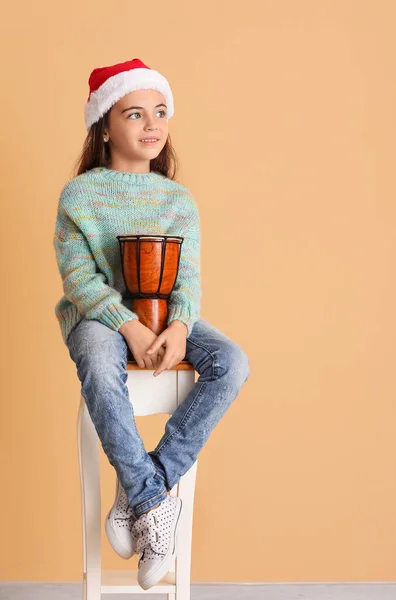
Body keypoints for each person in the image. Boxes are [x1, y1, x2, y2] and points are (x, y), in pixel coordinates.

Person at [53, 57, 250, 591]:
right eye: (135, 113)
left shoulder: (176, 199)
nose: (151, 124)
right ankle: (152, 502)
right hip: (99, 316)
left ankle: (144, 488)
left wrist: (181, 326)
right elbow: (79, 280)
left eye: (160, 112)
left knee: (232, 361)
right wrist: (128, 327)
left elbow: (187, 282)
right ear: (105, 125)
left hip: (166, 317)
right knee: (96, 356)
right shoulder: (80, 195)